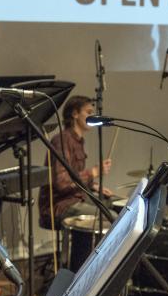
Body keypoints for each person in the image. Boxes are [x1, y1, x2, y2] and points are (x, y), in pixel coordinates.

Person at [38, 95, 113, 230]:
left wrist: (94, 186)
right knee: (111, 217)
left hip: (75, 198)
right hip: (59, 205)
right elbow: (62, 182)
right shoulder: (61, 139)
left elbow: (75, 177)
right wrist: (94, 172)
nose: (92, 116)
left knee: (112, 203)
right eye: (89, 113)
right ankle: (83, 251)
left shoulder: (78, 141)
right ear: (75, 114)